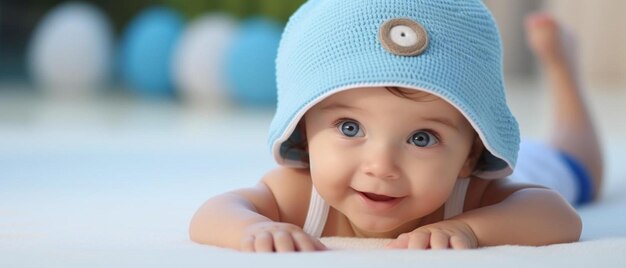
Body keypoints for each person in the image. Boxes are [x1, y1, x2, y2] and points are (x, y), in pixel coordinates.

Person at [189, 0, 603, 252]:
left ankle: (561, 65)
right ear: (303, 131)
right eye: (350, 128)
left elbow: (559, 215)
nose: (381, 165)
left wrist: (469, 229)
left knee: (579, 164)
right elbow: (214, 212)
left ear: (469, 155)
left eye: (422, 138)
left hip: (534, 166)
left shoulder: (474, 194)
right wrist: (254, 227)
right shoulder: (299, 193)